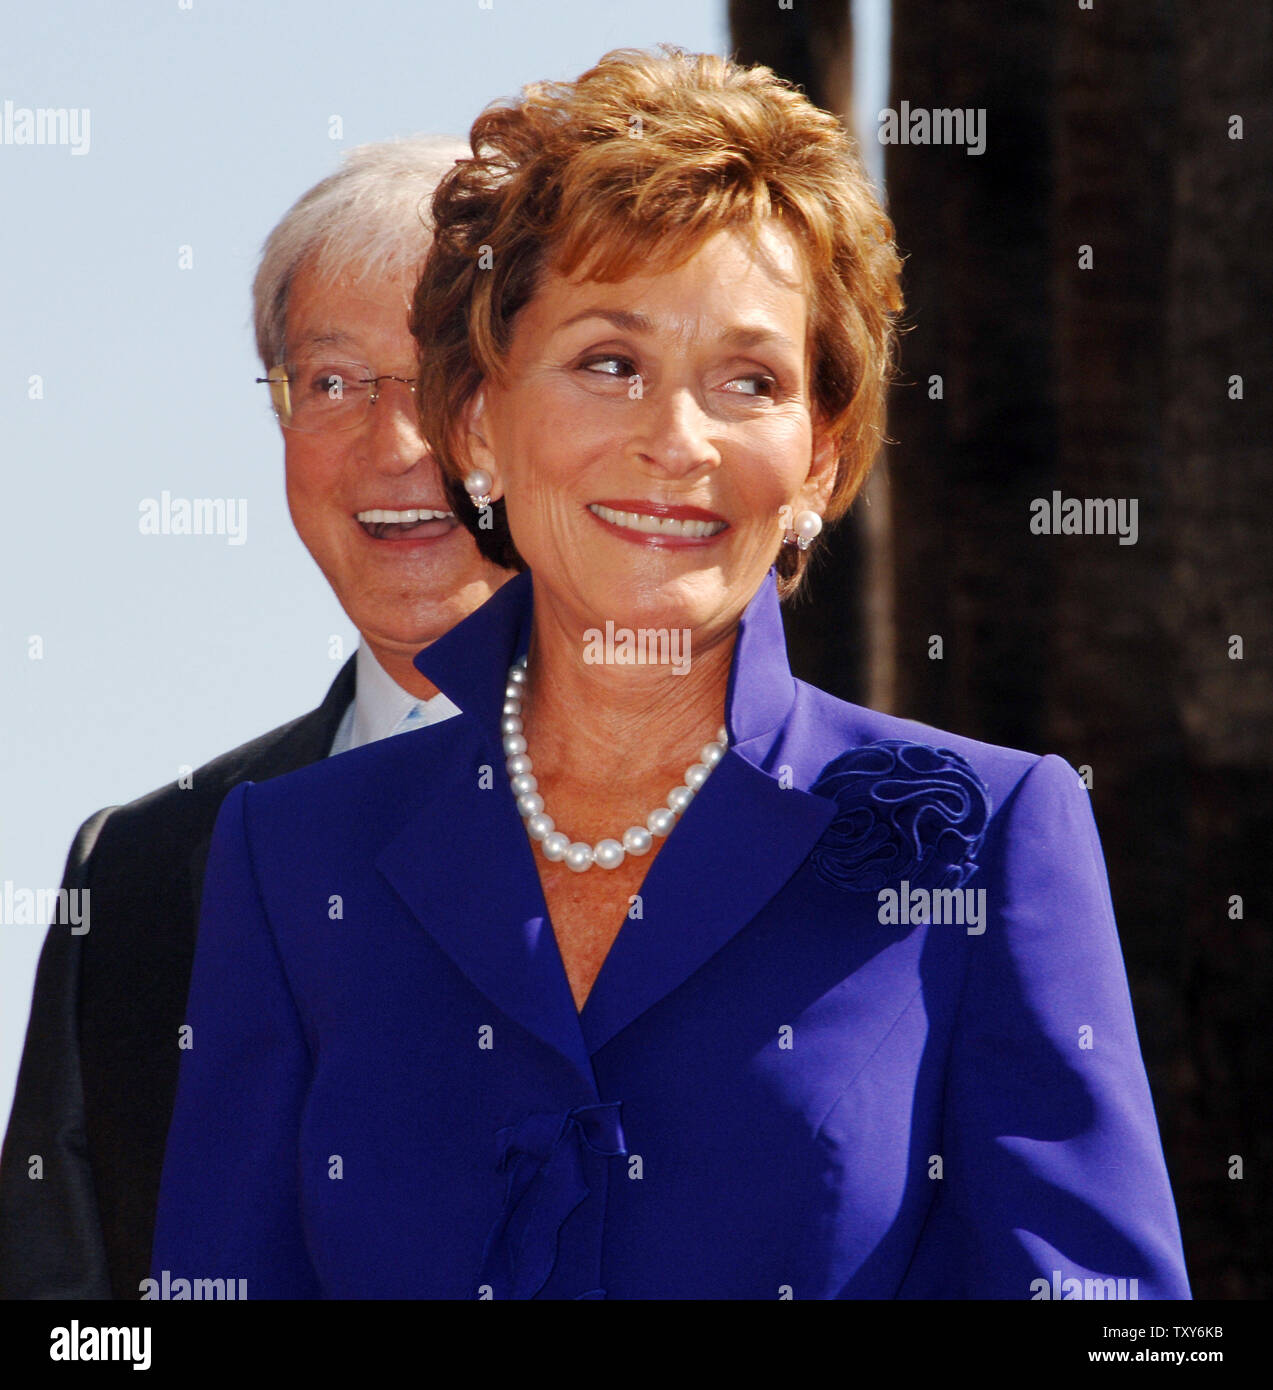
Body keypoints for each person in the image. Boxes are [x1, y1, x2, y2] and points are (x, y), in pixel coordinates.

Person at [151, 49, 1191, 1299]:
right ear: (479, 420)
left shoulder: (987, 832)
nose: (675, 439)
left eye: (748, 381)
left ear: (817, 461)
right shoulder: (290, 854)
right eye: (609, 361)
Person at [0, 137, 511, 1300]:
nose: (397, 446)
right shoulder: (134, 874)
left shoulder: (753, 815)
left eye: (451, 377)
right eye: (332, 383)